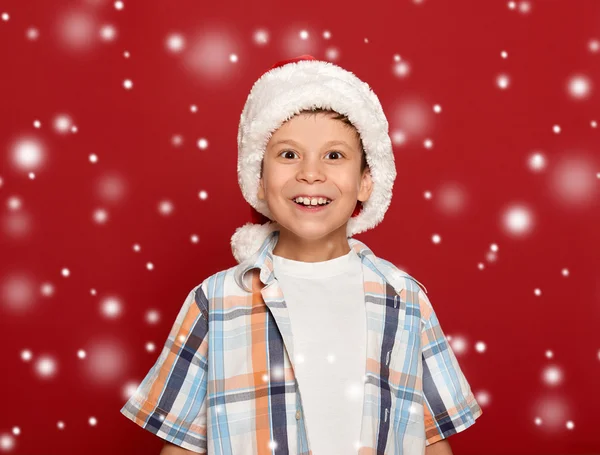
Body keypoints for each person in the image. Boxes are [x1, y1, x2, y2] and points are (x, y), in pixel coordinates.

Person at [120, 55, 483, 455]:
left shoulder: (405, 299)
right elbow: (182, 445)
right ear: (258, 180)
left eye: (334, 155)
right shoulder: (214, 302)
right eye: (289, 155)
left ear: (366, 181)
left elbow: (431, 440)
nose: (311, 173)